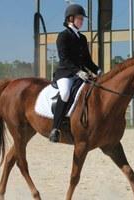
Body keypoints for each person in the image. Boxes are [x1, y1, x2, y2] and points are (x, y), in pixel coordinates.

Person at [49, 4, 102, 143]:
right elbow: (64, 59)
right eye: (79, 18)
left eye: (82, 19)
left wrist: (98, 70)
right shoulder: (63, 36)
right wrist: (78, 72)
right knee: (65, 93)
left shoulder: (82, 38)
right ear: (70, 19)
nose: (82, 21)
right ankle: (55, 128)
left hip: (81, 74)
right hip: (65, 73)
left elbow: (87, 61)